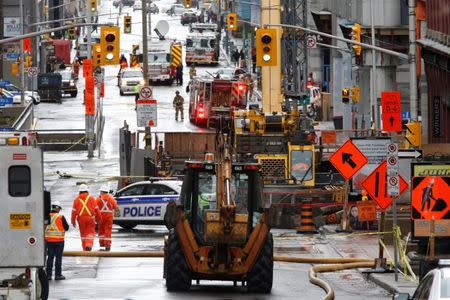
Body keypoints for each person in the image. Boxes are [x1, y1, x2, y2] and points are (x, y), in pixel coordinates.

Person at [71, 184, 102, 251]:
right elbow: (97, 209)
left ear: (79, 192)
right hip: (90, 219)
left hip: (81, 219)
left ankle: (85, 248)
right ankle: (88, 245)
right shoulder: (91, 198)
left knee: (83, 234)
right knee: (90, 233)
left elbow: (73, 212)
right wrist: (99, 219)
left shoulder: (76, 199)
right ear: (87, 191)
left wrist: (73, 222)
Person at [45, 200, 69, 281]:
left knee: (50, 258)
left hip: (49, 241)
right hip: (59, 241)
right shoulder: (60, 217)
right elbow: (67, 228)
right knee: (58, 258)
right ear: (58, 208)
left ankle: (48, 275)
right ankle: (58, 275)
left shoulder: (46, 216)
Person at [96, 185, 119, 251]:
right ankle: (107, 245)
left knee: (101, 231)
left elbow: (94, 208)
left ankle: (102, 244)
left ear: (101, 192)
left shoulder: (98, 199)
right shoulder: (111, 198)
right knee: (107, 231)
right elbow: (116, 207)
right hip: (109, 217)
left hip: (101, 217)